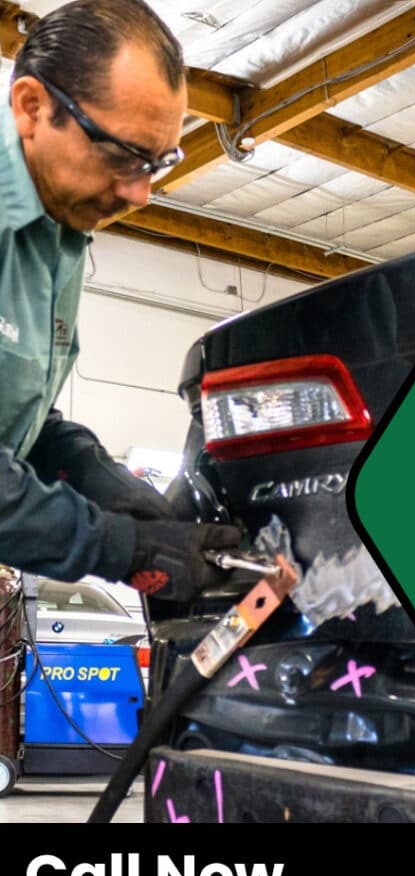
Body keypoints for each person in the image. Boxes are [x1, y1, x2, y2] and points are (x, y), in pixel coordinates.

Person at [0, 0, 240, 602]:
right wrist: (117, 546)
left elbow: (16, 415)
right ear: (32, 107)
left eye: (158, 162)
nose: (140, 193)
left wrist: (86, 470)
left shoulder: (62, 234)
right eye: (122, 155)